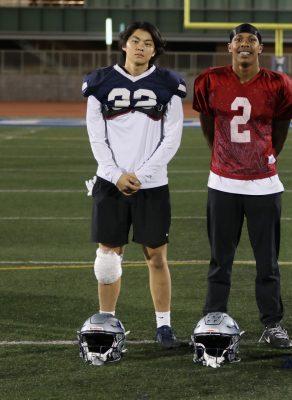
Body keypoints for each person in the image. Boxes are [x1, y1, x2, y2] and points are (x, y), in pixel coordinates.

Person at [192, 23, 292, 348]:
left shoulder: (278, 84)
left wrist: (259, 159)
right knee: (220, 259)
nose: (244, 44)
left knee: (267, 261)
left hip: (263, 185)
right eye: (238, 39)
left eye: (251, 40)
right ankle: (214, 319)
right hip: (222, 182)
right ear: (229, 47)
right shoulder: (210, 80)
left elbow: (280, 132)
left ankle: (272, 323)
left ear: (260, 48)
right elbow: (208, 125)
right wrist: (225, 158)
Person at [82, 21, 186, 348]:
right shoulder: (99, 82)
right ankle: (106, 321)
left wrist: (140, 174)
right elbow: (95, 136)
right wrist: (115, 174)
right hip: (110, 182)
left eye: (148, 43)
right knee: (108, 258)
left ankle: (164, 326)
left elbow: (172, 139)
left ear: (155, 50)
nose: (140, 47)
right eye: (135, 40)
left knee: (156, 256)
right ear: (124, 44)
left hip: (152, 184)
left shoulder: (169, 84)